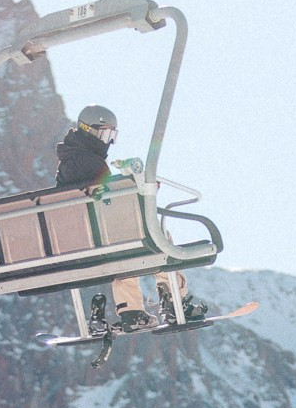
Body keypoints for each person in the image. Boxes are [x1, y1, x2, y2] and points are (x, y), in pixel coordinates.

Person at [52, 105, 206, 332]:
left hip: (81, 241)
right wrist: (142, 190)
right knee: (157, 236)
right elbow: (111, 202)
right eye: (105, 134)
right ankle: (174, 301)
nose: (109, 142)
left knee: (127, 242)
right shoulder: (88, 162)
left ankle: (131, 311)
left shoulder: (71, 162)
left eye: (113, 136)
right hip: (101, 237)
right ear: (89, 131)